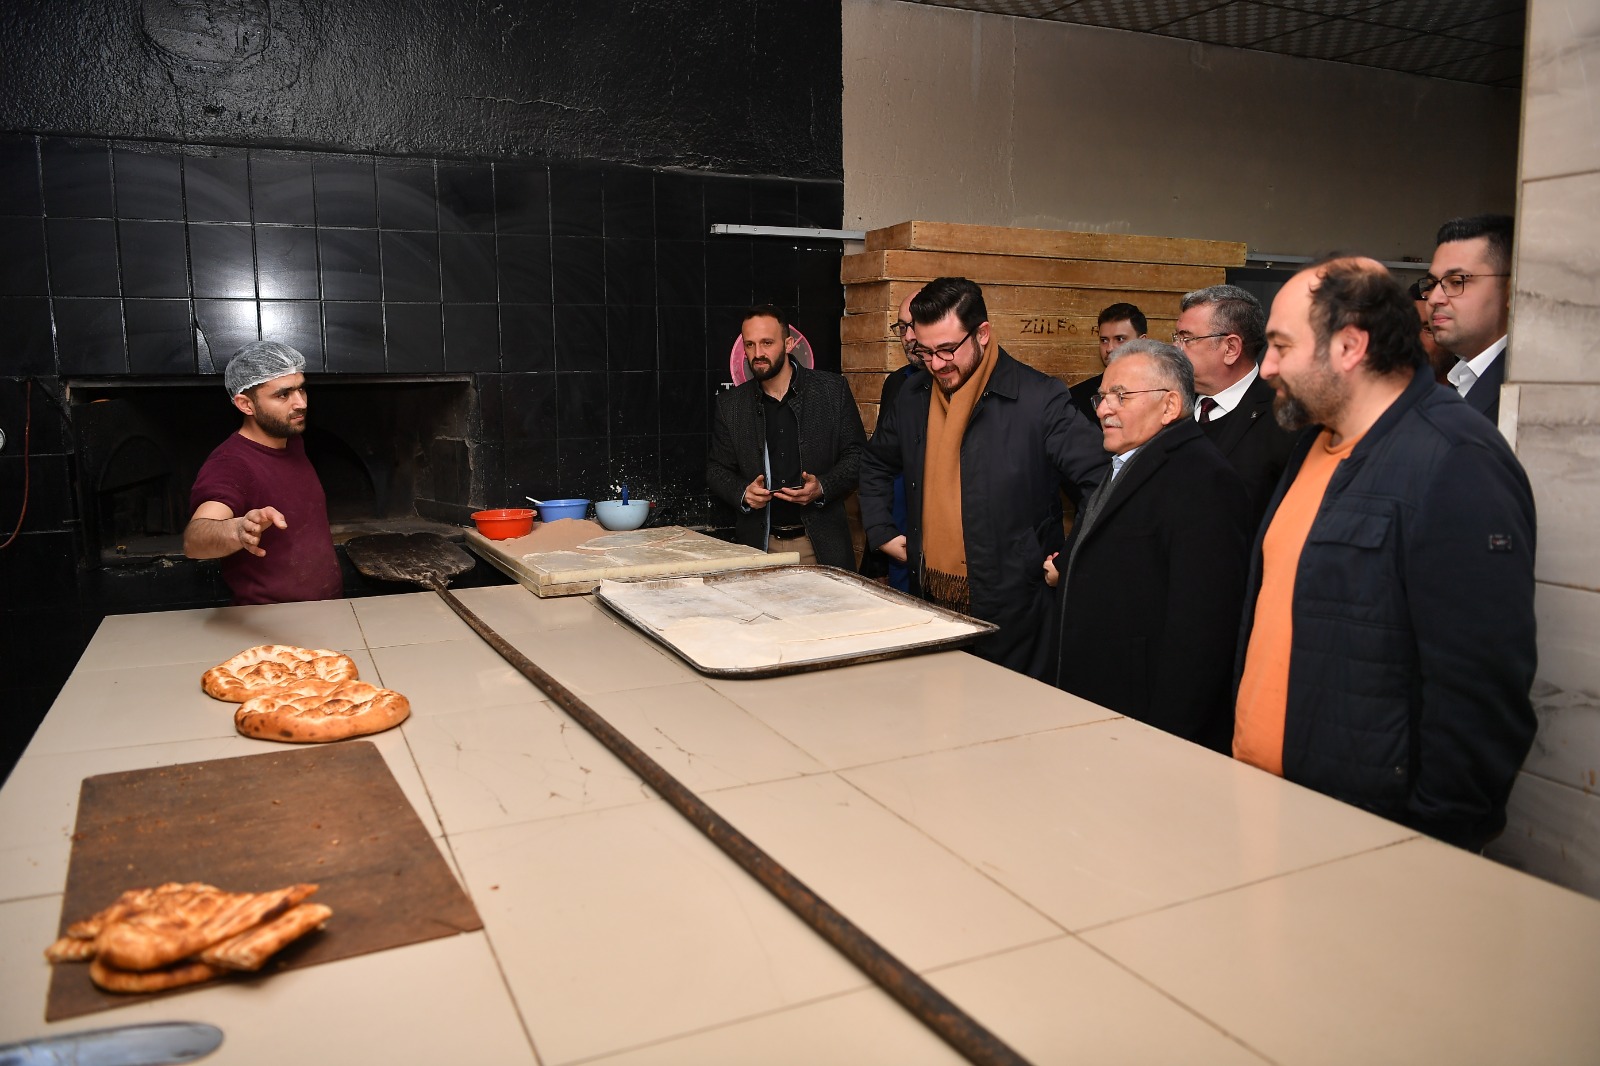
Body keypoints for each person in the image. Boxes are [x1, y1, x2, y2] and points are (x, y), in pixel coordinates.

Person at [1234, 256, 1537, 851]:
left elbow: (1479, 694)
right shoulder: (1311, 443)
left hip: (1365, 836)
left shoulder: (1456, 460)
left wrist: (1430, 846)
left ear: (1350, 346)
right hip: (1267, 807)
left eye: (1281, 346)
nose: (1266, 367)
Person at [859, 277, 1108, 680]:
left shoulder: (1040, 397)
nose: (936, 364)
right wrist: (880, 529)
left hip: (1017, 610)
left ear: (983, 334)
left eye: (947, 349)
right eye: (925, 351)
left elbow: (1104, 482)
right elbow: (875, 462)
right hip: (931, 602)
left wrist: (1070, 558)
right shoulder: (913, 394)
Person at [1053, 340, 1251, 752]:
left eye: (1121, 396)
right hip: (1099, 709)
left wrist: (1167, 739)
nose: (1103, 409)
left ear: (1169, 406)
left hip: (1147, 725)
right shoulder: (1128, 460)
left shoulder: (1203, 480)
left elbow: (1203, 632)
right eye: (1102, 397)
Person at [707, 304, 866, 569]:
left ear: (789, 344)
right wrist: (743, 492)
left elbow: (858, 456)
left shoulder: (831, 390)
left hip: (820, 546)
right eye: (750, 345)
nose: (758, 353)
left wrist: (822, 487)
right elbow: (716, 470)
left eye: (767, 343)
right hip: (759, 547)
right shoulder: (731, 404)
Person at [185, 341, 342, 605]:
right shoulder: (231, 463)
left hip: (324, 609)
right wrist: (237, 530)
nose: (301, 403)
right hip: (272, 620)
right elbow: (195, 541)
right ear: (246, 404)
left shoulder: (291, 441)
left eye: (301, 389)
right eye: (283, 395)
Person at [1174, 284, 1300, 531]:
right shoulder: (1168, 405)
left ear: (1231, 349)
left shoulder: (1285, 418)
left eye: (1187, 339)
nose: (1176, 349)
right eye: (1176, 337)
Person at [1423, 214, 1514, 423]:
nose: (1434, 298)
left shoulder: (1529, 389)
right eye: (1432, 284)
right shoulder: (1459, 381)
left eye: (1456, 282)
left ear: (1510, 292)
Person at [864, 288, 925, 591]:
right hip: (900, 547)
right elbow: (879, 466)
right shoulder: (897, 384)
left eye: (916, 325)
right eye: (902, 327)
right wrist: (878, 553)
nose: (909, 337)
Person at [1069, 302, 1148, 423]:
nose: (1110, 348)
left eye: (1120, 339)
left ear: (1142, 342)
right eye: (1104, 340)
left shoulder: (1160, 393)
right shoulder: (1077, 398)